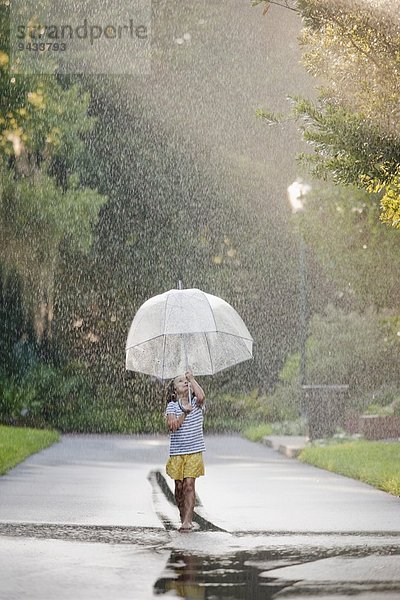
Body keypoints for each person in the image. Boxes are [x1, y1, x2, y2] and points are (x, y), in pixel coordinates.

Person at [165, 371, 206, 532]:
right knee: (179, 486)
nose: (185, 382)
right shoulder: (172, 406)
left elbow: (202, 397)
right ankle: (183, 514)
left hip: (195, 450)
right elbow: (173, 426)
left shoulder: (196, 402)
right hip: (177, 453)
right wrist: (184, 413)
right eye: (181, 381)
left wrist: (192, 379)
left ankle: (188, 521)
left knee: (189, 485)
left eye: (186, 381)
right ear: (175, 391)